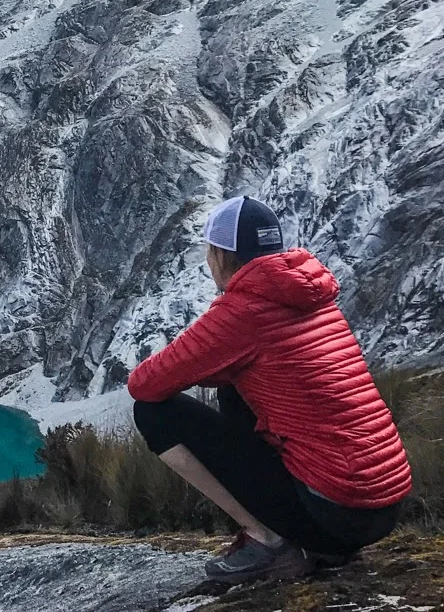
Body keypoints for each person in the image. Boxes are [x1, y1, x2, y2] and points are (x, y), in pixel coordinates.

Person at [127, 196, 412, 583]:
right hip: (382, 506)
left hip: (336, 513)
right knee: (231, 385)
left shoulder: (242, 312)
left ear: (219, 255)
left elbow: (144, 384)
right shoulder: (309, 293)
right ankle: (313, 542)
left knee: (153, 413)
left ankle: (268, 541)